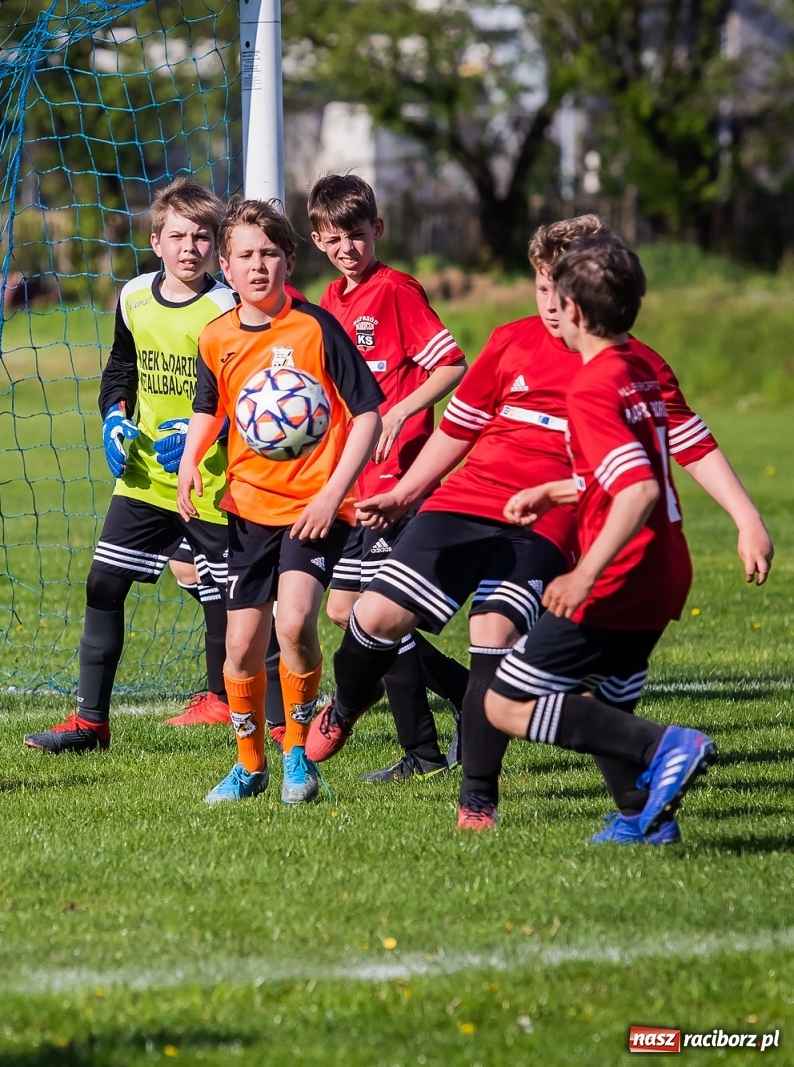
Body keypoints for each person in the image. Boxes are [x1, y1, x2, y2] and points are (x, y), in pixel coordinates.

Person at [303, 216, 771, 830]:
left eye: (561, 290)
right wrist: (407, 493)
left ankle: (477, 799)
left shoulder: (629, 367)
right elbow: (459, 430)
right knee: (374, 615)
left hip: (547, 523)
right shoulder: (509, 342)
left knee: (494, 632)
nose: (550, 304)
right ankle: (345, 705)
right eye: (541, 287)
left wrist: (746, 516)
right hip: (467, 501)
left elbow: (687, 443)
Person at [487, 233, 716, 843]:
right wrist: (559, 492)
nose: (550, 312)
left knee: (505, 704)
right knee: (600, 697)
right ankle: (642, 819)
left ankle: (668, 745)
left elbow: (638, 491)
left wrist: (583, 573)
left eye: (557, 301)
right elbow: (625, 472)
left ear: (576, 312)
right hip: (666, 568)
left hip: (621, 574)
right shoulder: (637, 367)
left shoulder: (588, 388)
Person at [177, 198, 383, 803]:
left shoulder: (317, 327)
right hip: (246, 510)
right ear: (227, 265)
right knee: (239, 649)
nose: (258, 266)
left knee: (293, 624)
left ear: (289, 261)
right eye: (245, 255)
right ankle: (250, 766)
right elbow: (209, 406)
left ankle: (297, 756)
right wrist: (191, 460)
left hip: (313, 511)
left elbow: (367, 413)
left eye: (269, 253)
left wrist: (333, 495)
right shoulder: (215, 337)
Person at [25, 176, 236, 753]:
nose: (190, 248)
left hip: (214, 480)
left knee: (232, 595)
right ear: (156, 241)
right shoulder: (134, 296)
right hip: (144, 477)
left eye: (201, 237)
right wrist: (114, 419)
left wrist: (204, 437)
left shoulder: (227, 308)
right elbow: (121, 368)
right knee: (104, 581)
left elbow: (246, 395)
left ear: (216, 245)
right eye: (178, 236)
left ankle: (252, 714)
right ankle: (90, 724)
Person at [307, 174, 471, 782]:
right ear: (319, 241)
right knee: (346, 612)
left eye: (356, 234)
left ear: (377, 228)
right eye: (333, 238)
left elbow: (452, 365)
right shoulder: (330, 299)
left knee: (377, 614)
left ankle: (423, 752)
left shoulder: (396, 290)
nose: (347, 247)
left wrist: (400, 411)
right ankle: (462, 690)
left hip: (399, 478)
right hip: (358, 480)